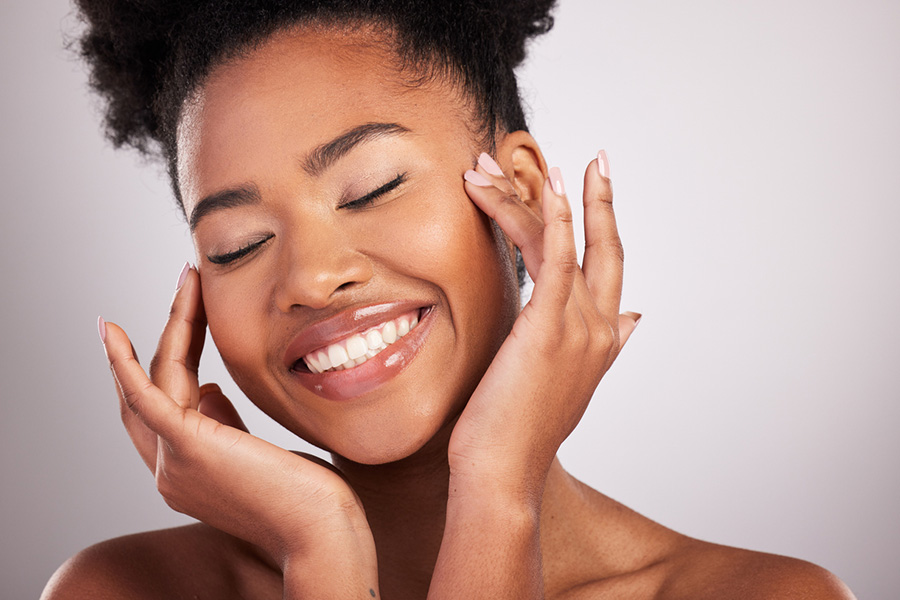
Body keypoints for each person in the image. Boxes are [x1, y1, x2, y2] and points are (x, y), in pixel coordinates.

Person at [42, 1, 856, 598]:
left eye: (373, 188)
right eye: (238, 246)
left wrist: (497, 484)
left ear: (522, 194)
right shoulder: (120, 590)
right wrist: (320, 547)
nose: (311, 280)